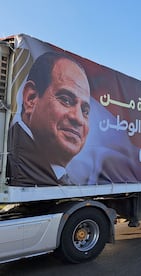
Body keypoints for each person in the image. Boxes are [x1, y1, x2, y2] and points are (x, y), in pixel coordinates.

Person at [7, 51, 91, 186]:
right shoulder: (11, 158)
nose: (79, 119)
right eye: (66, 100)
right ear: (31, 98)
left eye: (85, 111)